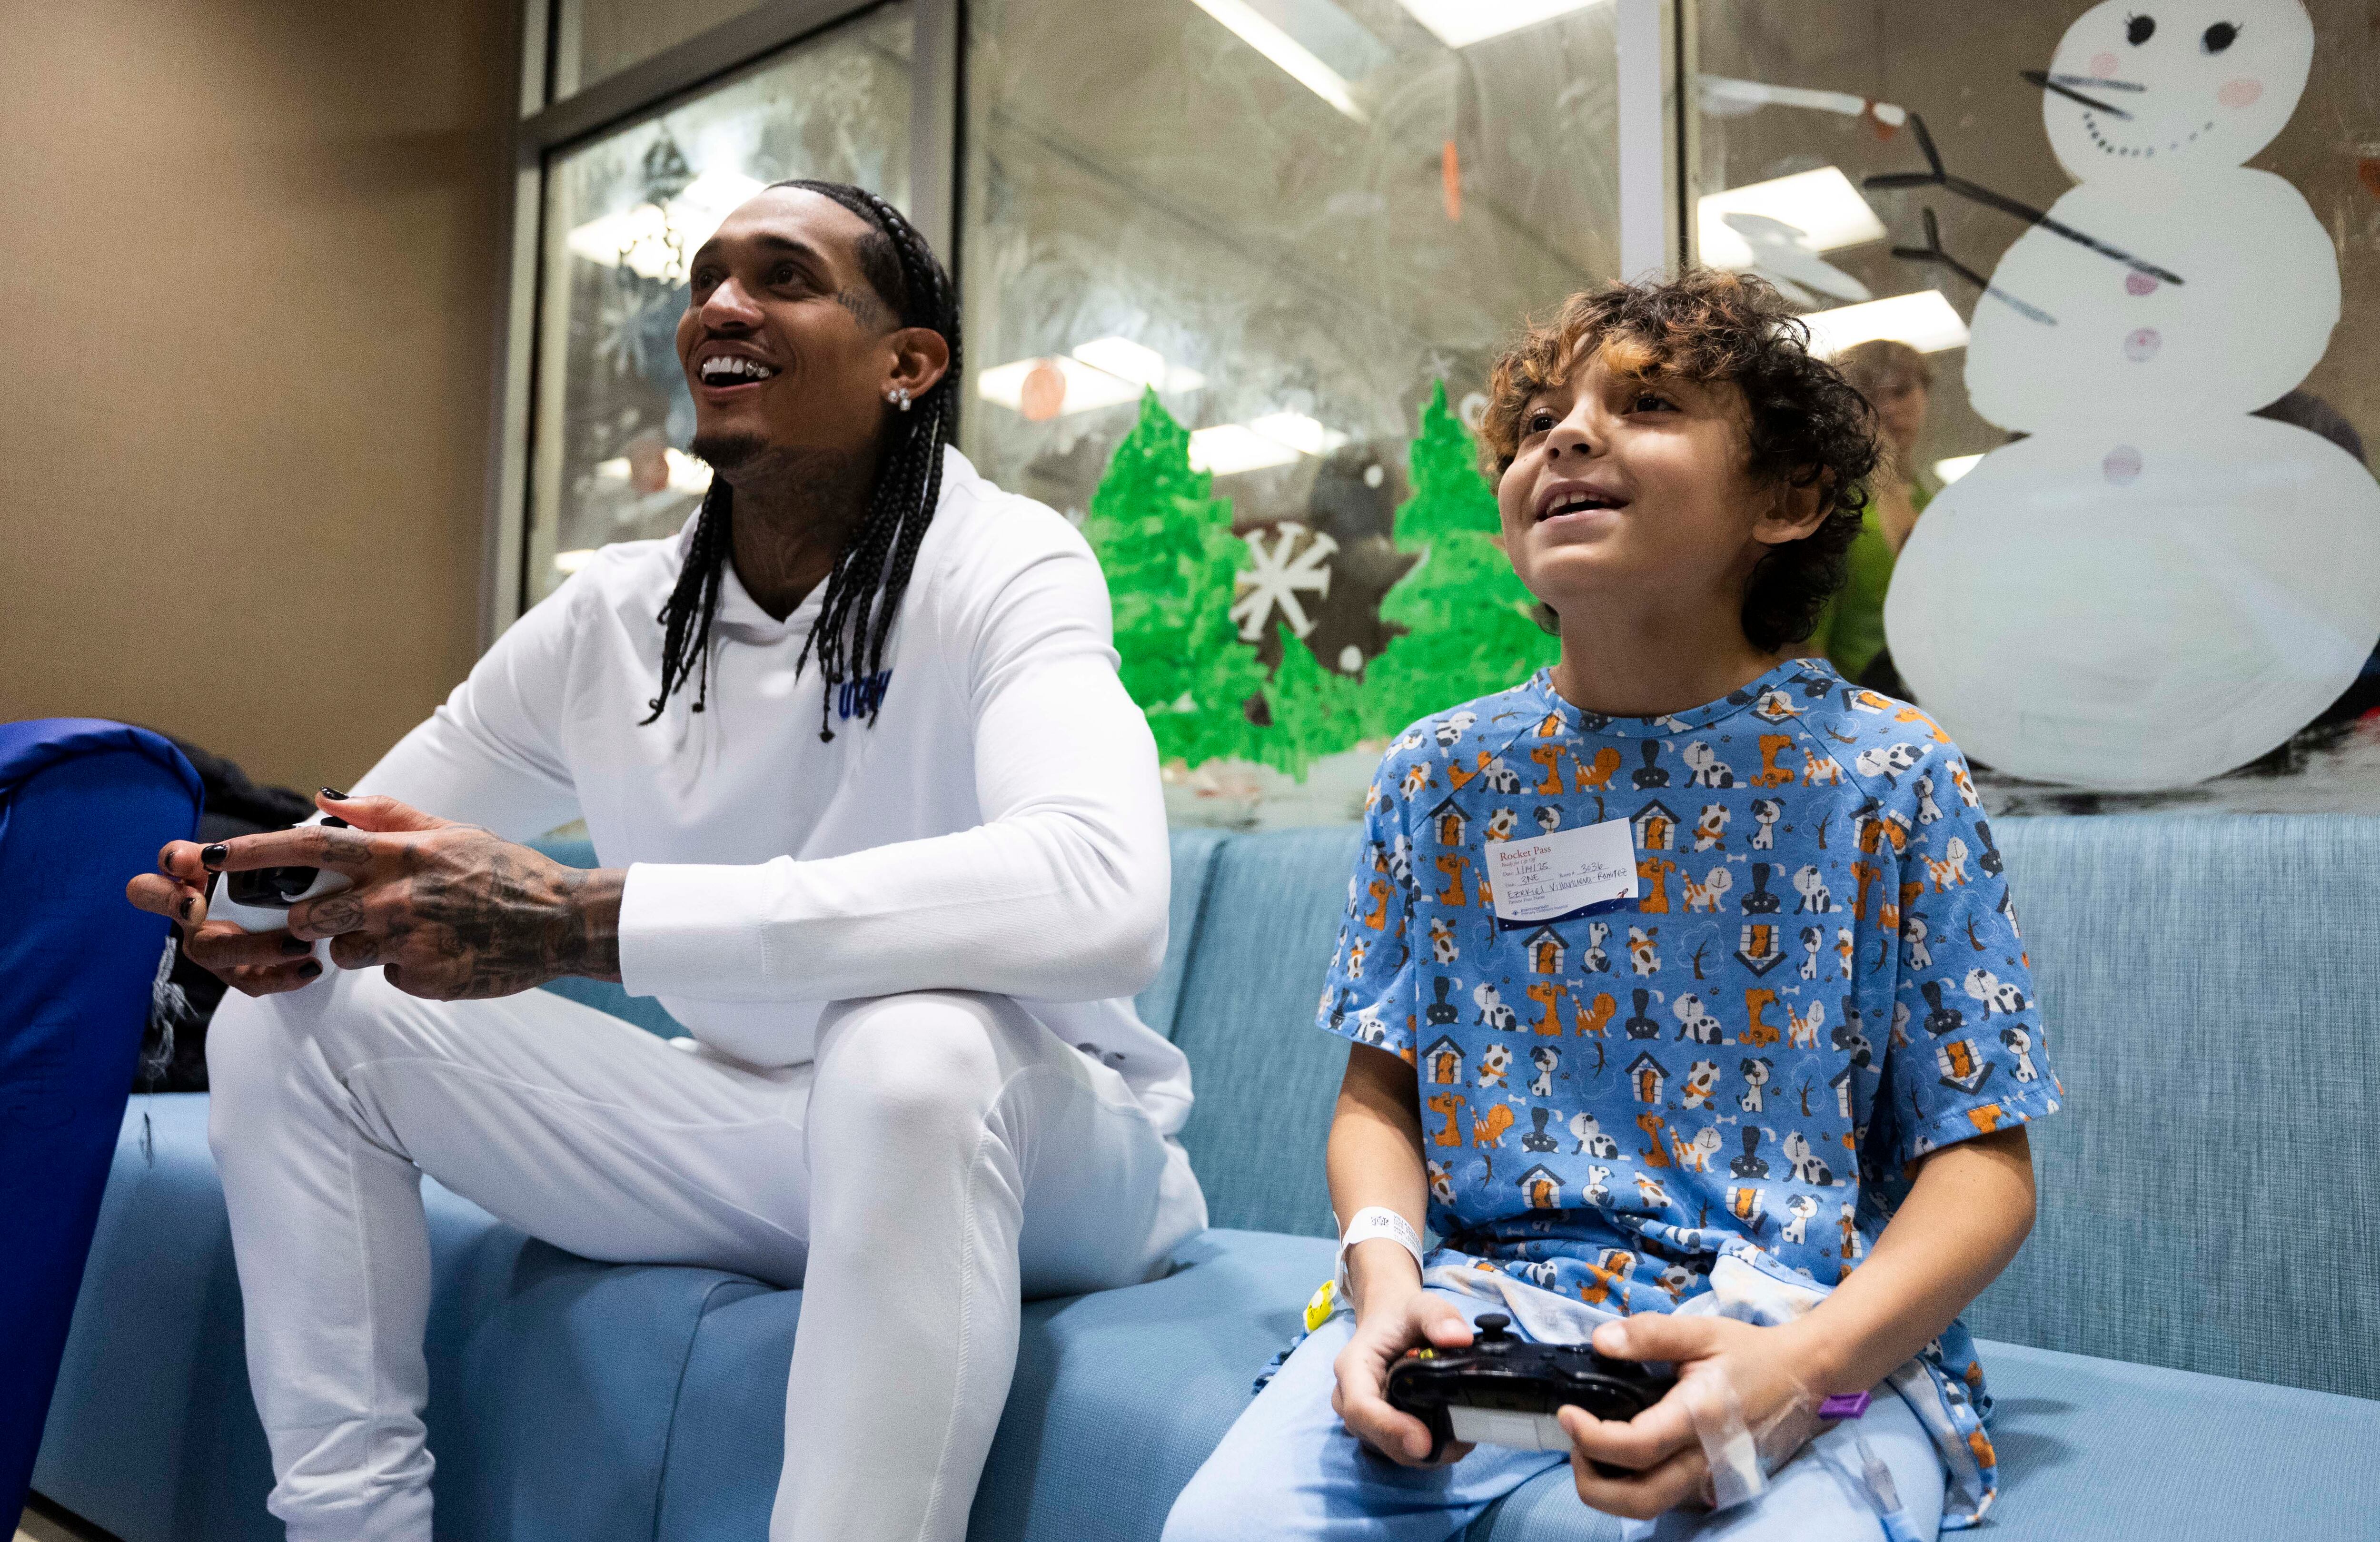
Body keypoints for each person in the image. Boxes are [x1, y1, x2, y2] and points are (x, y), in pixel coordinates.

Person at [126, 181, 1205, 1542]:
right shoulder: (615, 616)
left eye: (784, 277)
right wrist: (255, 908)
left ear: (908, 365)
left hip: (1042, 1151)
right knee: (306, 1026)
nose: (722, 306)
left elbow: (1102, 895)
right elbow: (366, 841)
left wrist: (590, 920)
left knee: (908, 1043)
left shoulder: (1005, 562)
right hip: (754, 1138)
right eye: (706, 278)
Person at [1164, 271, 2057, 1542]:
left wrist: (1806, 1368)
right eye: (1536, 424)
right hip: (1487, 1310)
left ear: (1788, 500)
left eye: (1647, 405)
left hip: (1804, 1322)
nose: (1566, 436)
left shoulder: (1887, 775)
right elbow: (1382, 1098)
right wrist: (1383, 1278)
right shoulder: (1442, 780)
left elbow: (1983, 1160)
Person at [1807, 338, 1934, 684]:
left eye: (1902, 392)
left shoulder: (1934, 498)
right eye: (1871, 395)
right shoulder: (1830, 503)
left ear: (1925, 395)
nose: (1888, 409)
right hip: (1861, 701)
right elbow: (1806, 641)